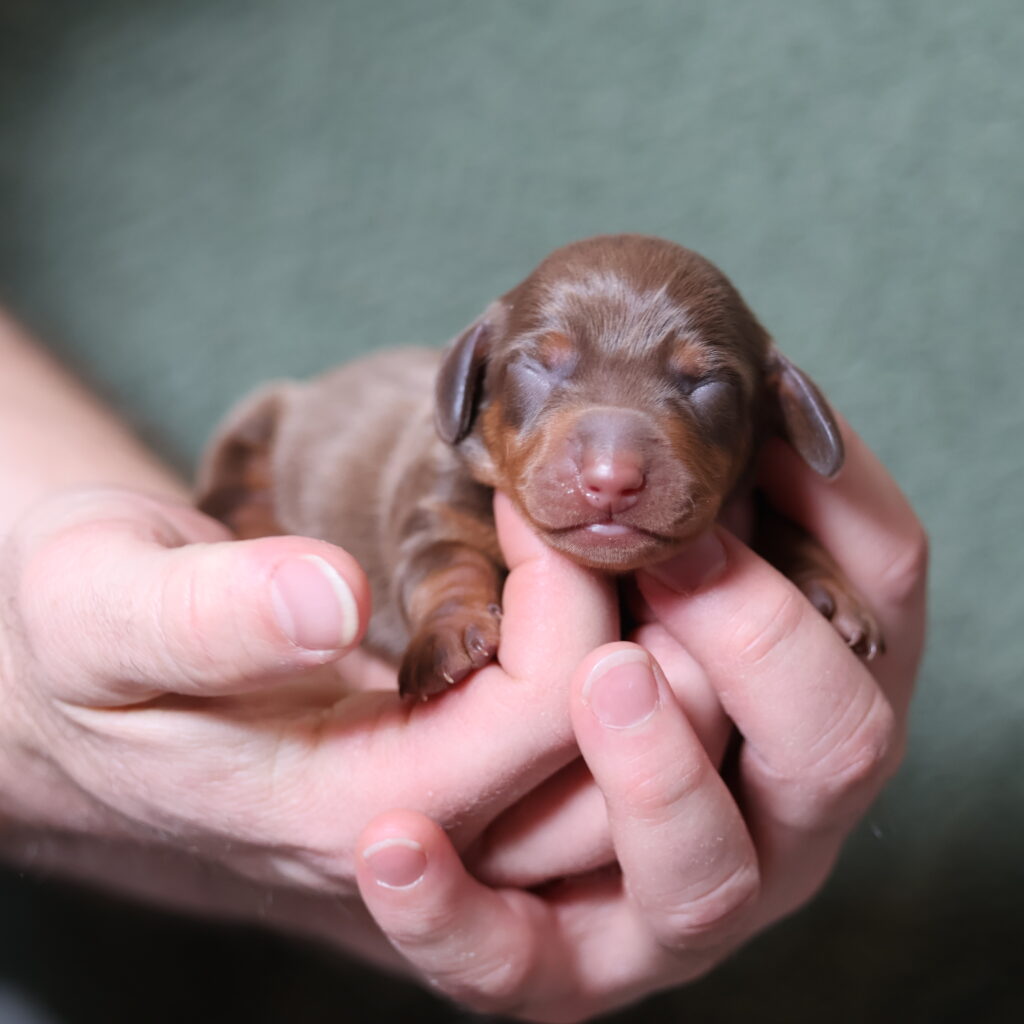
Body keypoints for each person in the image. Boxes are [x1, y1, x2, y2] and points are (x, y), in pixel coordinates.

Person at [0, 311, 926, 1022]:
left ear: (779, 414)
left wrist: (807, 566)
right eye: (544, 368)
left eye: (703, 389)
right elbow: (435, 541)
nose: (612, 467)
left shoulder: (746, 477)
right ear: (471, 385)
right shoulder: (442, 468)